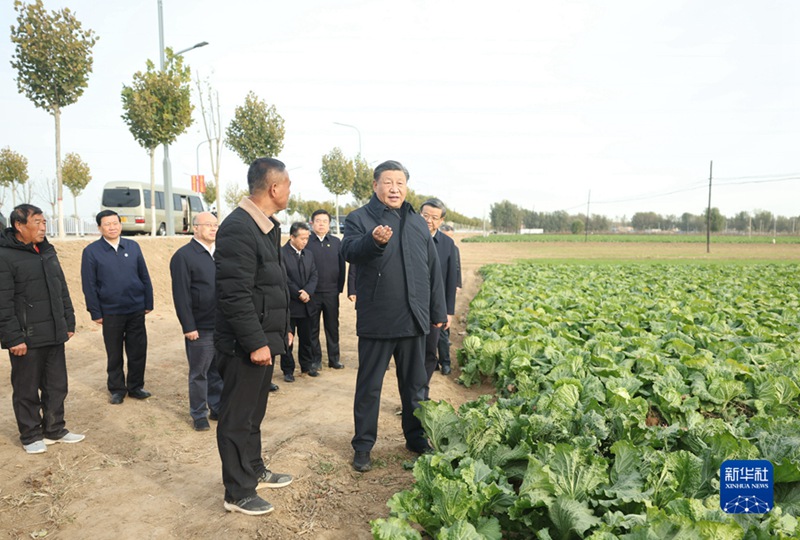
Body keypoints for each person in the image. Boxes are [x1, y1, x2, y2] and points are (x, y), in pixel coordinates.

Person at [341, 160, 447, 473]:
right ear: (375, 185)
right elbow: (349, 251)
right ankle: (363, 446)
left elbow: (433, 269)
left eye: (400, 183)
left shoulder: (416, 222)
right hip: (378, 319)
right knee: (369, 387)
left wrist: (437, 311)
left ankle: (415, 439)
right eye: (388, 182)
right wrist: (373, 241)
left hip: (414, 319)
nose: (394, 188)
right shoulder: (360, 218)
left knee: (414, 386)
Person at [214, 157, 294, 516]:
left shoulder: (266, 226)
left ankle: (254, 469)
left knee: (254, 414)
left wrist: (283, 329)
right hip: (244, 344)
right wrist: (256, 342)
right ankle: (237, 492)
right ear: (274, 188)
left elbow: (273, 284)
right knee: (236, 417)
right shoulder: (238, 228)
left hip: (265, 338)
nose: (290, 191)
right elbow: (234, 294)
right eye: (288, 185)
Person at [0, 204, 85, 454]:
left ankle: (55, 429)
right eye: (36, 222)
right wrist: (13, 337)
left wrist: (68, 321)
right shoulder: (5, 256)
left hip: (54, 332)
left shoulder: (46, 250)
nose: (42, 227)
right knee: (26, 389)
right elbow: (2, 302)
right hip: (26, 337)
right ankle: (30, 435)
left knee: (57, 385)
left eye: (44, 222)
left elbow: (61, 288)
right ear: (19, 225)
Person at [81, 210, 154, 404]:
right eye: (107, 224)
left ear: (120, 225)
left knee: (138, 350)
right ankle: (117, 389)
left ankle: (136, 386)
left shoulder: (133, 246)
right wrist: (95, 311)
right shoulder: (91, 252)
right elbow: (89, 285)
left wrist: (148, 302)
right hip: (110, 311)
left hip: (136, 308)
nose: (112, 227)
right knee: (114, 353)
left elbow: (144, 276)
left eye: (115, 223)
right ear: (99, 228)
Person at [169, 212, 224, 431]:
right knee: (199, 372)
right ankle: (199, 413)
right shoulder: (184, 256)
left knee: (218, 370)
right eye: (208, 225)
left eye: (215, 225)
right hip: (199, 326)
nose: (213, 229)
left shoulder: (221, 253)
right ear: (195, 228)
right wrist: (188, 326)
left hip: (221, 323)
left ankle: (217, 406)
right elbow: (181, 294)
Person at [419, 200, 459, 388]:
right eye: (425, 215)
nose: (429, 220)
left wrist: (448, 312)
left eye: (434, 217)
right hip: (410, 306)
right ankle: (411, 395)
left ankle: (421, 393)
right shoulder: (407, 237)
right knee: (411, 355)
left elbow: (451, 281)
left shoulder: (448, 245)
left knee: (428, 352)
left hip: (435, 307)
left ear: (441, 220)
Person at [305, 209, 346, 370]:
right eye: (318, 221)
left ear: (329, 224)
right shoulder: (307, 242)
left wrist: (339, 288)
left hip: (331, 292)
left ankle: (334, 358)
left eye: (324, 221)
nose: (321, 224)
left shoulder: (336, 242)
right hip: (312, 293)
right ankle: (316, 360)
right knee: (312, 327)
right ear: (312, 223)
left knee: (332, 326)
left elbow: (342, 267)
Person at [280, 221, 319, 382]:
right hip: (290, 304)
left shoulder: (308, 254)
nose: (305, 241)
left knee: (307, 337)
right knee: (288, 339)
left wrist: (308, 291)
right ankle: (288, 370)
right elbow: (284, 278)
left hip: (307, 304)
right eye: (302, 238)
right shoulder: (281, 254)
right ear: (292, 237)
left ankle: (306, 365)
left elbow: (314, 275)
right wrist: (298, 293)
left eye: (307, 238)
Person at [437, 224, 462, 374]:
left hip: (445, 292)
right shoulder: (431, 245)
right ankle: (432, 361)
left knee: (443, 330)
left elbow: (456, 269)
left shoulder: (454, 248)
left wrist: (457, 284)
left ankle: (445, 362)